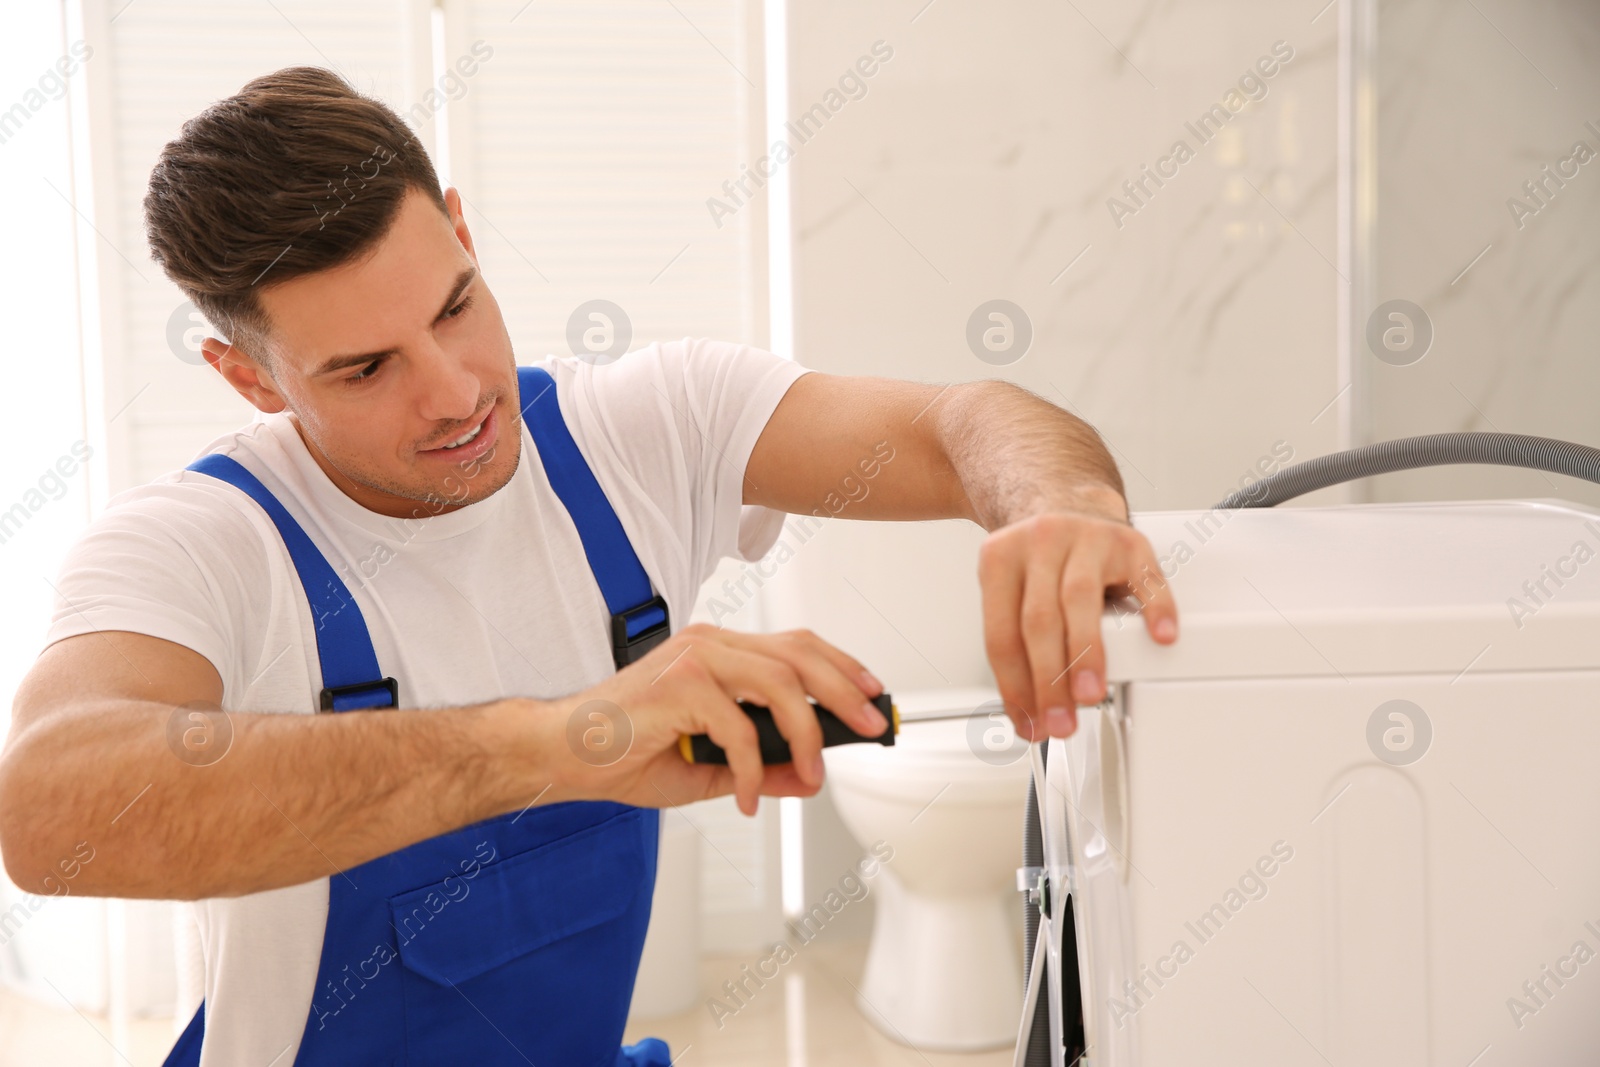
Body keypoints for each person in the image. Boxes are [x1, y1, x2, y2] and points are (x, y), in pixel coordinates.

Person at [0, 67, 1177, 1066]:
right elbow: (49, 807)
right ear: (249, 378)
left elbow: (969, 419)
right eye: (365, 370)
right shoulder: (200, 544)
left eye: (458, 305)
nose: (456, 392)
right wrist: (570, 739)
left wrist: (1055, 506)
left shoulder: (643, 430)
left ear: (461, 226)